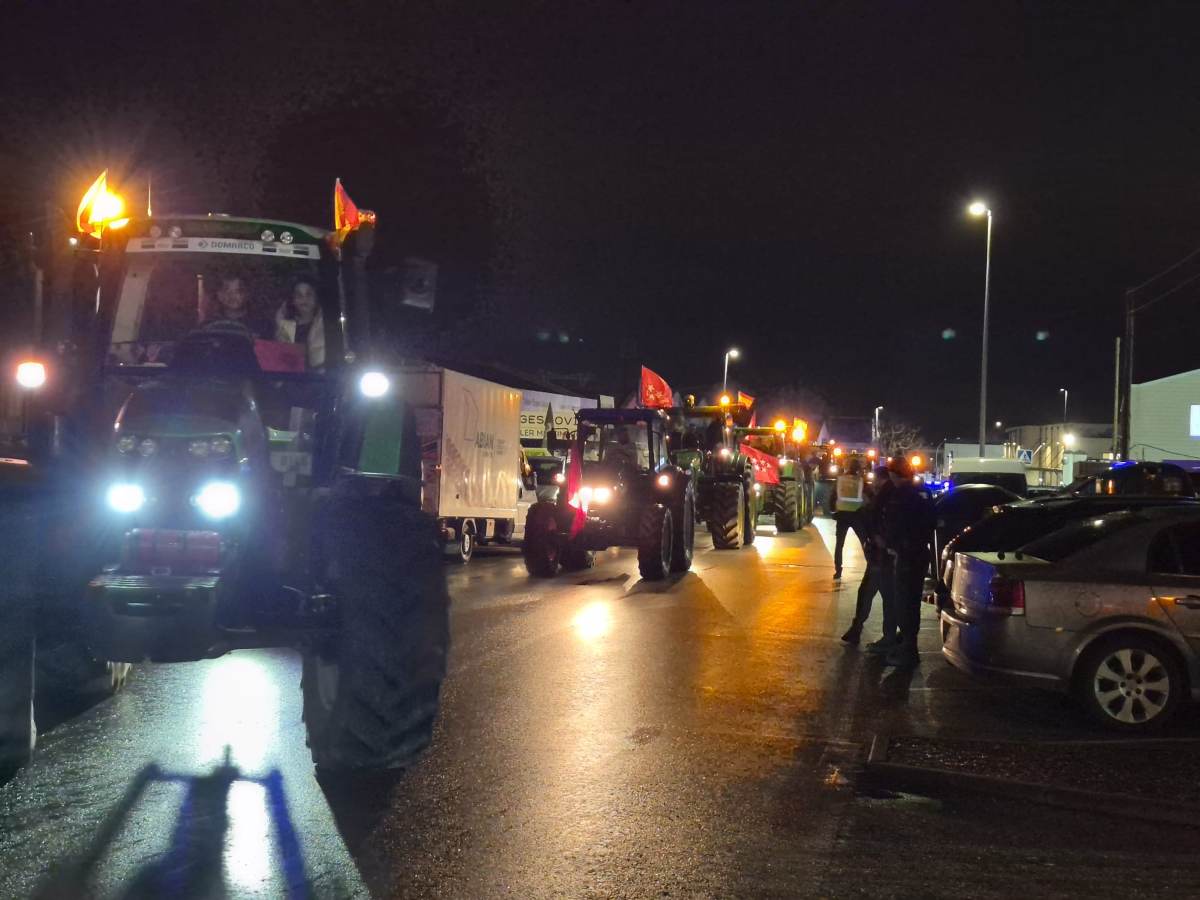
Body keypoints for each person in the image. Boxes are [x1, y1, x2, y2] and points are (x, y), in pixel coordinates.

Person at [876, 455, 936, 668]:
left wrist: (887, 542)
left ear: (893, 474)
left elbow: (895, 524)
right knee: (912, 603)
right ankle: (909, 646)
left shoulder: (901, 495)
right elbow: (932, 522)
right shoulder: (924, 492)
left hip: (906, 555)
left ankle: (908, 651)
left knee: (904, 603)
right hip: (920, 554)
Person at [842, 465, 895, 647]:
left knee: (874, 593)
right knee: (875, 593)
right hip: (882, 556)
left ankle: (884, 637)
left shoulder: (885, 496)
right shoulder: (889, 494)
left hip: (881, 557)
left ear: (882, 478)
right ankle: (860, 629)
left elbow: (875, 521)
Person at [274, 277, 326, 368]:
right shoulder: (285, 324)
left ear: (316, 298)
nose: (304, 299)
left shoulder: (326, 324)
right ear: (293, 300)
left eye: (309, 294)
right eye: (299, 295)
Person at [832, 457, 866, 579]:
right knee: (865, 542)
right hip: (857, 515)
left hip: (842, 515)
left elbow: (833, 496)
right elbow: (869, 497)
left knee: (839, 544)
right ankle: (871, 567)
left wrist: (833, 512)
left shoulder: (840, 480)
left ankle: (838, 570)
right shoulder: (861, 481)